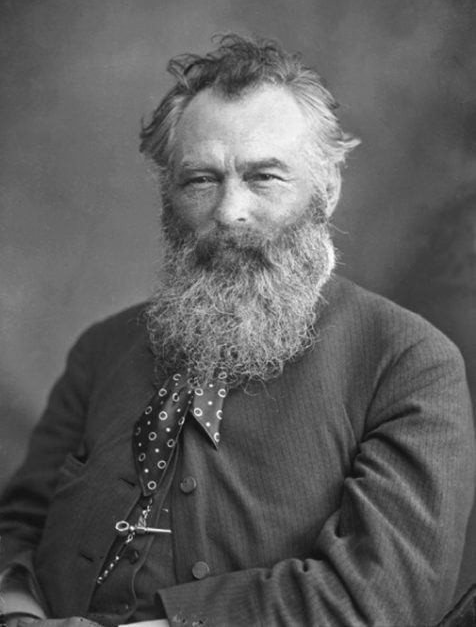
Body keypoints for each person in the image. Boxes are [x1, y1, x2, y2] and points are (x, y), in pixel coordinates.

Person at [0, 33, 474, 627]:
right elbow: (19, 524)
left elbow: (383, 597)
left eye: (264, 177)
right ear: (168, 195)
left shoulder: (408, 362)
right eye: (201, 180)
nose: (229, 212)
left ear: (327, 189)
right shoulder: (102, 349)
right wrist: (17, 614)